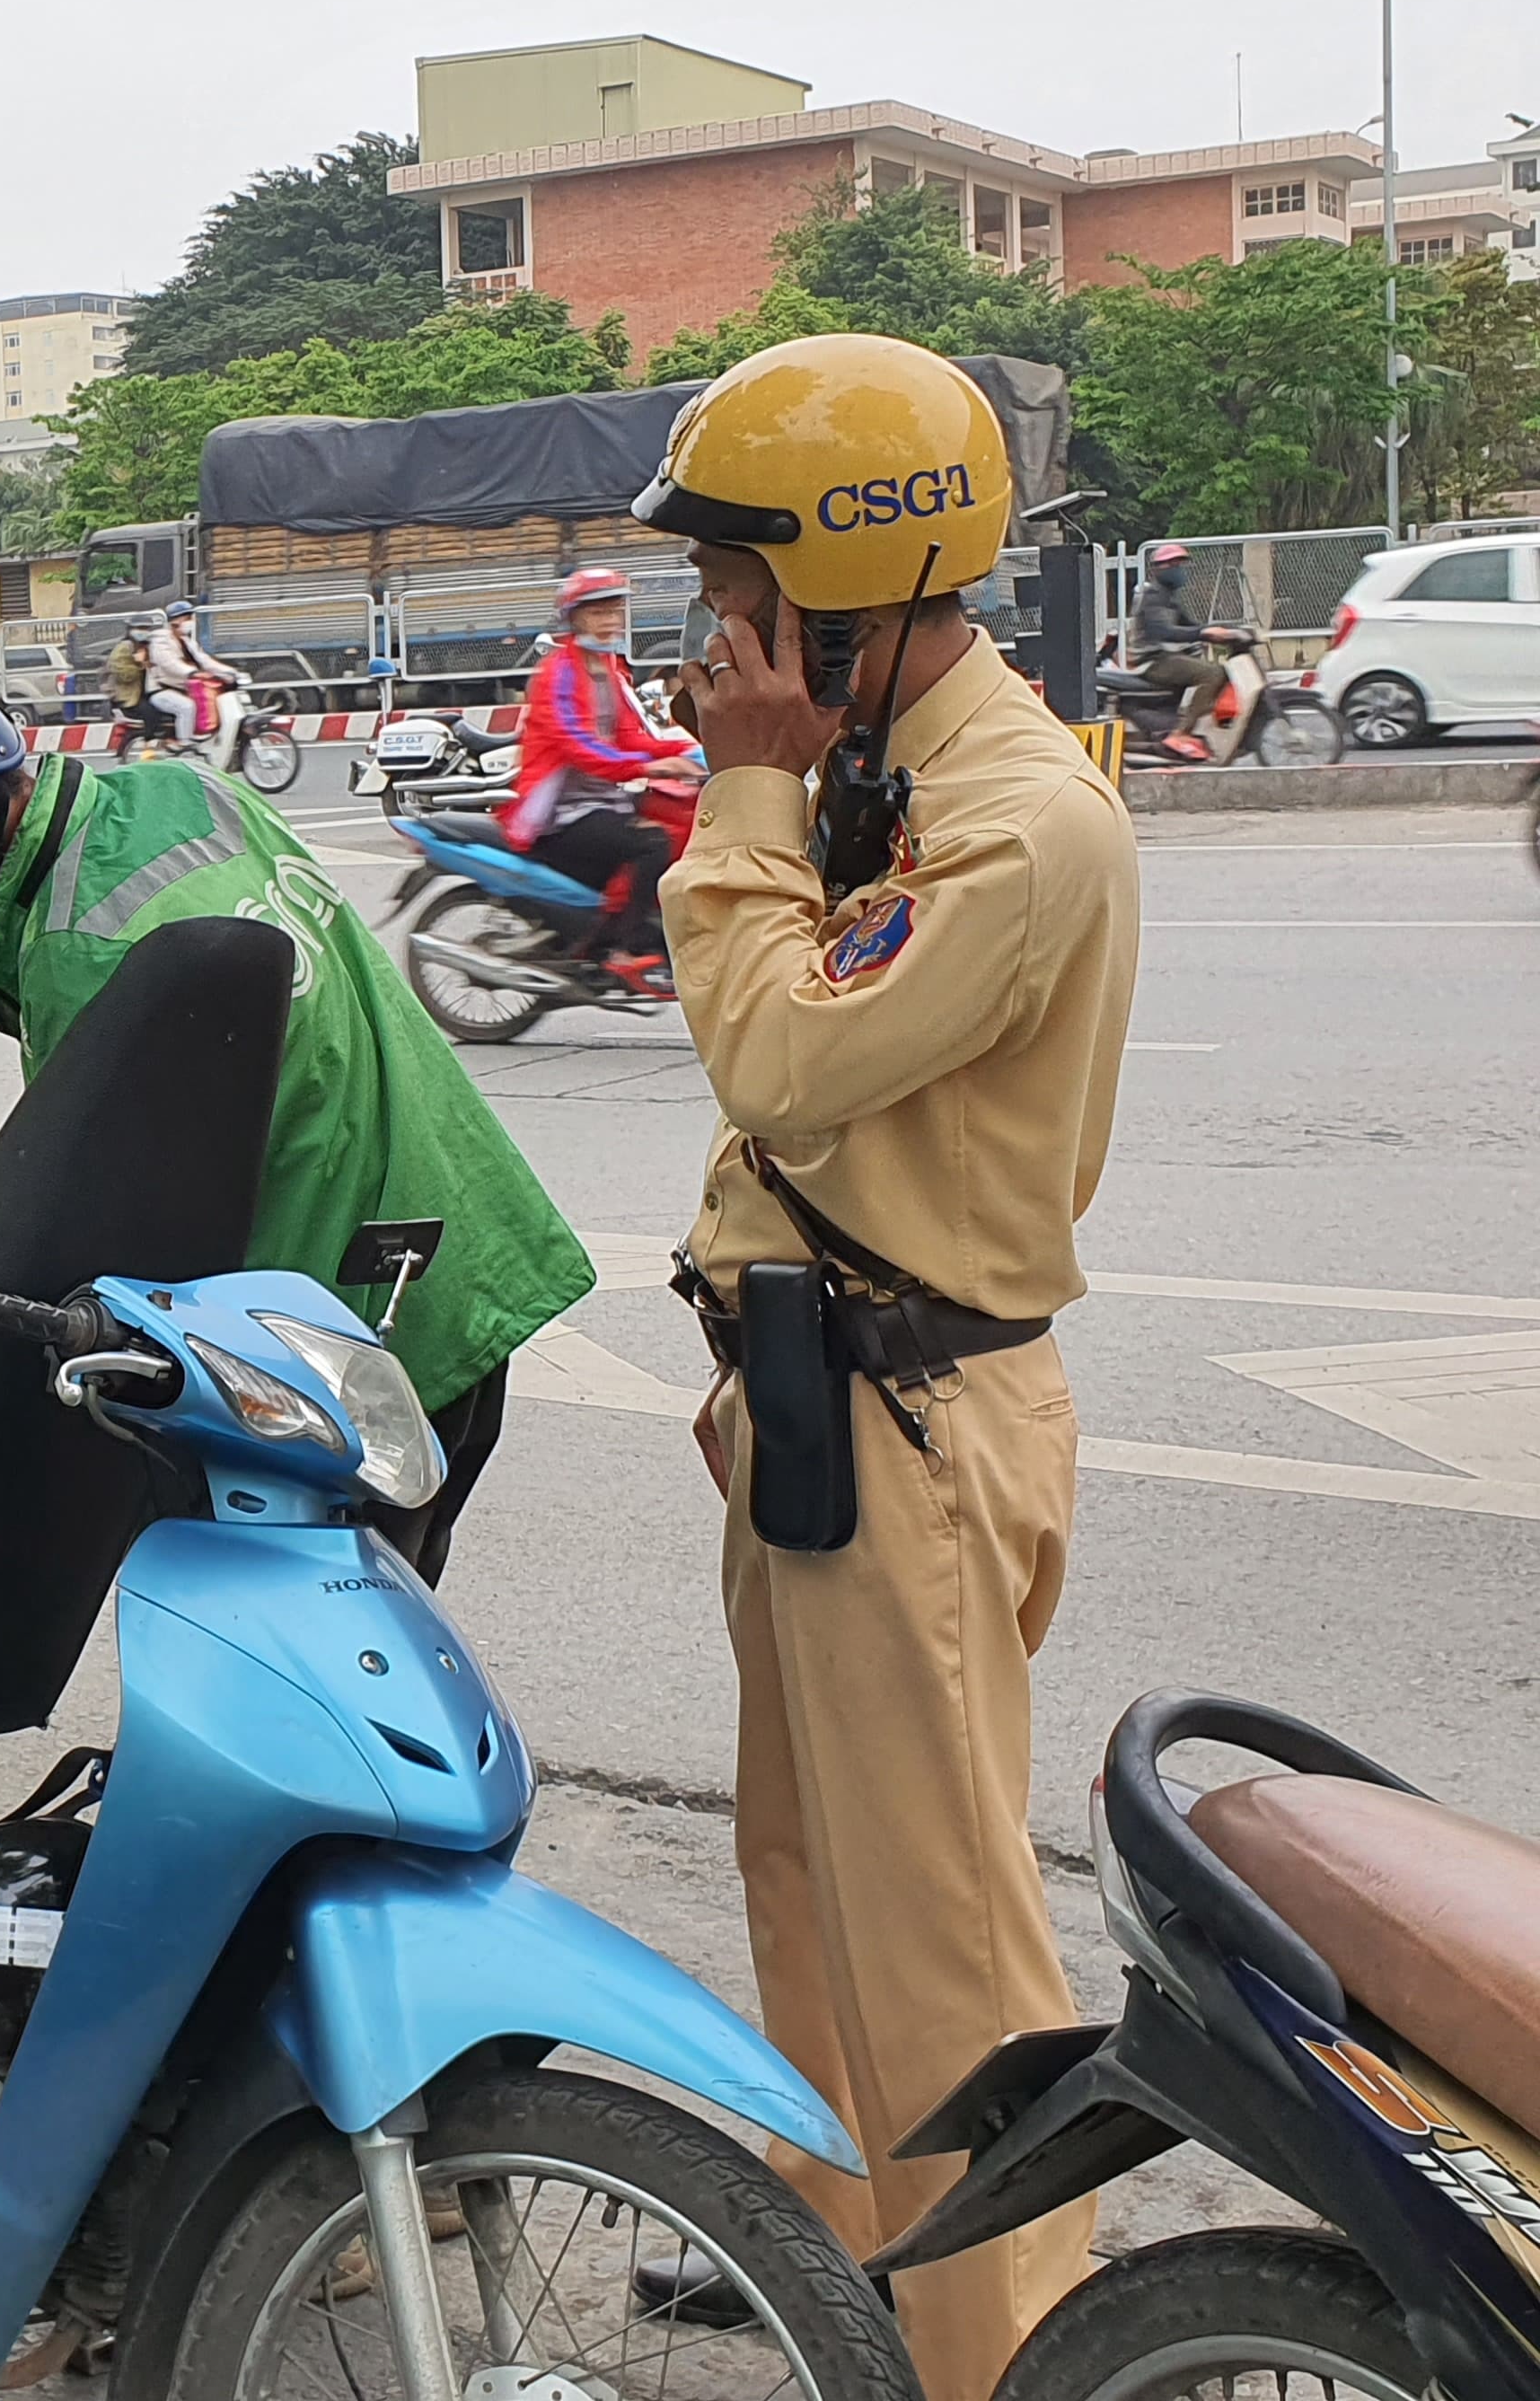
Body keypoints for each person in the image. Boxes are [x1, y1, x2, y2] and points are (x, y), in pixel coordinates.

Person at [635, 332, 1140, 2399]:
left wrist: (744, 792)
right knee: (802, 1878)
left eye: (741, 598)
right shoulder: (887, 782)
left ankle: (1009, 2353)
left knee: (937, 1940)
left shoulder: (1013, 825)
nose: (712, 638)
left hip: (911, 1422)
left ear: (852, 593)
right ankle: (828, 2251)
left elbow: (776, 1049)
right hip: (819, 1405)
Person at [0, 661, 593, 1614]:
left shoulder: (85, 955)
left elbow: (71, 1273)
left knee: (292, 1690)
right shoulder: (182, 789)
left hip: (334, 1365)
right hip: (453, 1265)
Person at [506, 565, 701, 980]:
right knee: (653, 843)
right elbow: (577, 746)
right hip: (559, 810)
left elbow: (631, 735)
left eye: (615, 611)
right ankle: (624, 949)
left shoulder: (608, 668)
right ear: (575, 619)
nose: (611, 621)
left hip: (601, 798)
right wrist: (648, 766)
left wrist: (692, 750)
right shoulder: (557, 673)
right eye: (599, 613)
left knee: (676, 818)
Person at [1127, 540, 1228, 757]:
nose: (1179, 570)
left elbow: (1190, 625)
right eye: (1173, 565)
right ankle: (1181, 732)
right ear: (1158, 569)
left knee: (1212, 668)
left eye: (1180, 565)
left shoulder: (1169, 597)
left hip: (1165, 656)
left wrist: (1226, 632)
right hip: (1152, 661)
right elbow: (1164, 631)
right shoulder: (1154, 596)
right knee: (1212, 673)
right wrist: (1202, 633)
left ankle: (1187, 724)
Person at [140, 598, 238, 758]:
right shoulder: (160, 640)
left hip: (182, 689)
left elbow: (205, 661)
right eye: (186, 618)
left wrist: (231, 672)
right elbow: (169, 663)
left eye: (190, 618)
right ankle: (185, 747)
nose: (190, 621)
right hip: (161, 691)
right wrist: (190, 672)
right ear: (174, 621)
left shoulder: (187, 642)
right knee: (186, 707)